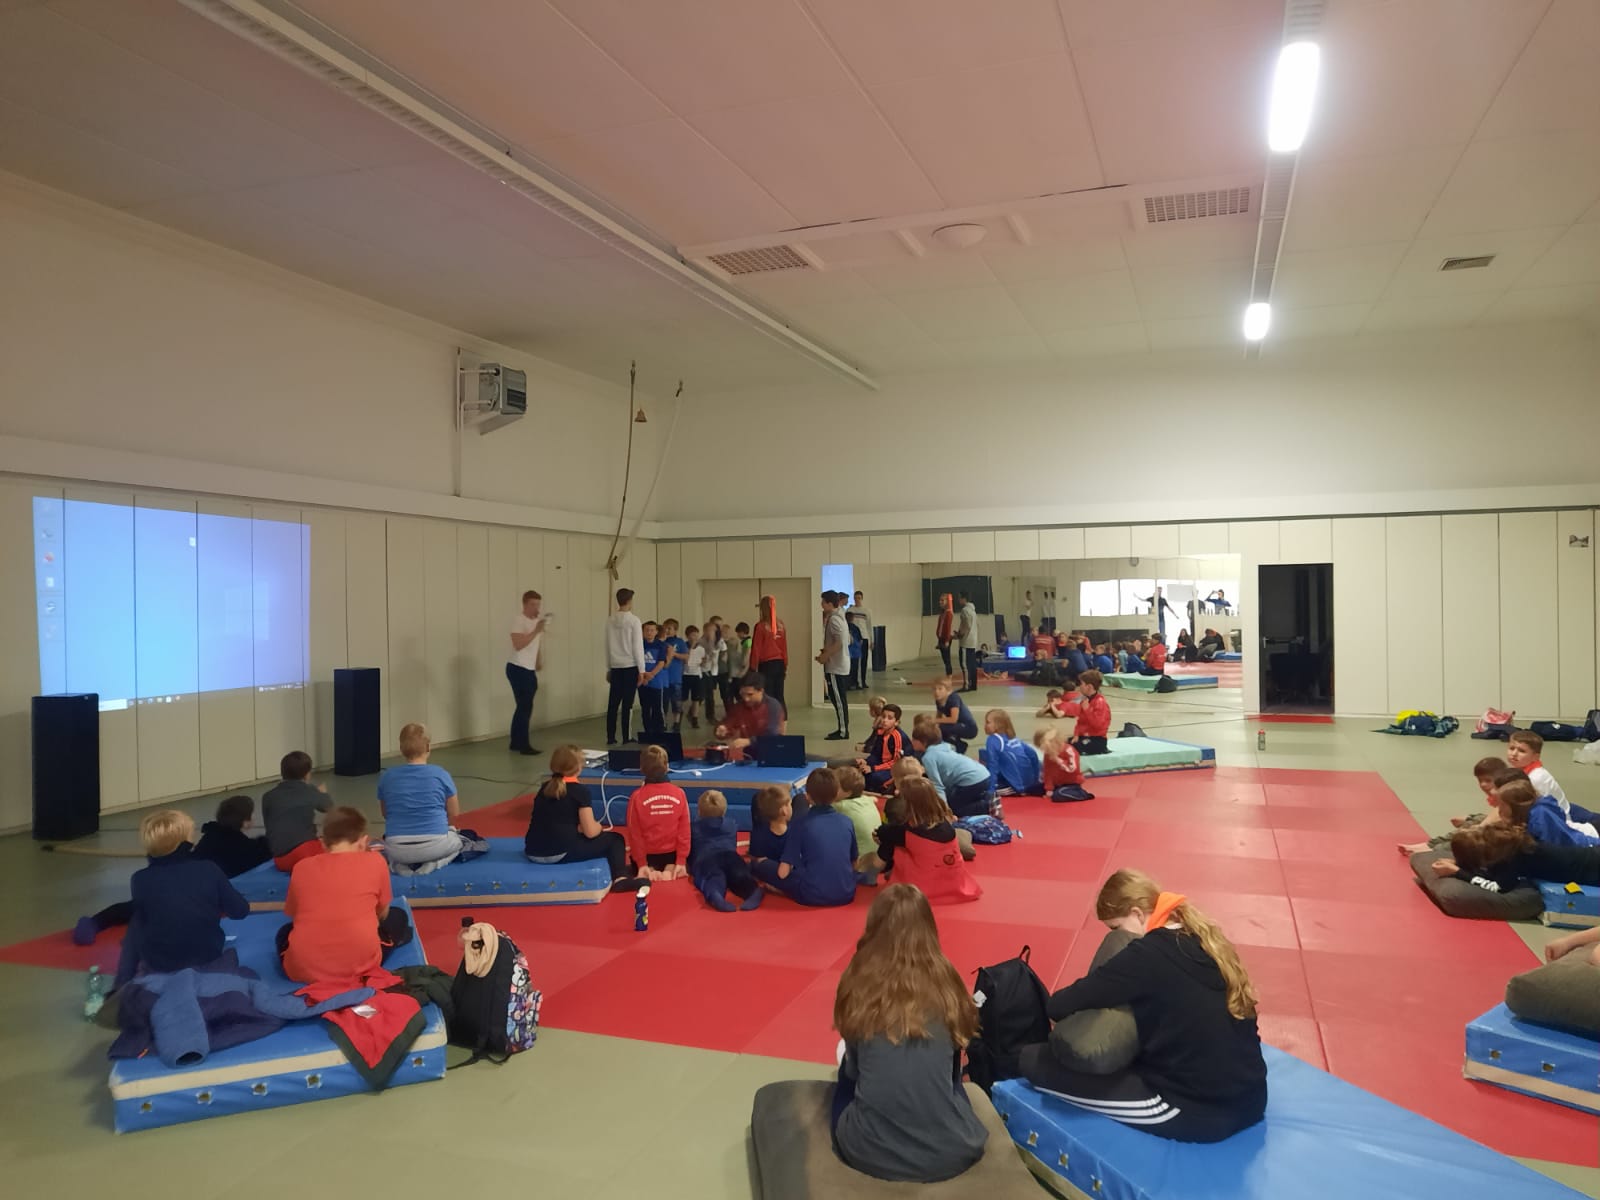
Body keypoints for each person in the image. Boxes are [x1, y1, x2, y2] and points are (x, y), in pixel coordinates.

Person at [1021, 869, 1267, 1143]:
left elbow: (1062, 1003)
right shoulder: (1204, 937)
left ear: (1138, 914)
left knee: (1031, 1061)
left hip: (1197, 1110)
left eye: (1116, 928)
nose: (1117, 936)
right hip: (1253, 1097)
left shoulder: (1145, 954)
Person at [830, 884, 988, 1183]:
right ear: (928, 928)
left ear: (874, 926)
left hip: (871, 1153)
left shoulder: (857, 981)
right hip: (953, 1151)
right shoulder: (948, 983)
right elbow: (953, 1070)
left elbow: (853, 1073)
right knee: (951, 1083)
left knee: (846, 1077)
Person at [116, 809, 250, 988]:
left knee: (138, 920)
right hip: (207, 956)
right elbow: (240, 911)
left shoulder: (140, 879)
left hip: (160, 963)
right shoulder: (208, 869)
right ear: (185, 841)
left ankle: (121, 983)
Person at [279, 806, 391, 984]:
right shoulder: (376, 861)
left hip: (303, 970)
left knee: (284, 933)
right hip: (360, 966)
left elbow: (294, 914)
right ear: (364, 841)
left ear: (323, 843)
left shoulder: (301, 867)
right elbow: (382, 913)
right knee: (397, 919)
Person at [524, 745, 635, 890]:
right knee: (615, 839)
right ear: (579, 768)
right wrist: (598, 826)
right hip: (560, 853)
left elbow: (553, 818)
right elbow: (591, 832)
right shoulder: (580, 791)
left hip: (533, 850)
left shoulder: (545, 787)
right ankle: (620, 878)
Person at [377, 723, 483, 874]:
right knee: (463, 841)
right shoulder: (441, 774)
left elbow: (385, 813)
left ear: (401, 749)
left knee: (393, 848)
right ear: (428, 747)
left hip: (396, 849)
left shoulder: (387, 777)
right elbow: (454, 813)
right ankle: (436, 863)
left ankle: (399, 866)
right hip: (435, 846)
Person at [751, 768, 858, 907]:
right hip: (846, 892)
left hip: (812, 894)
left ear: (808, 796)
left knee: (761, 864)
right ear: (836, 793)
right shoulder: (847, 821)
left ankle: (778, 887)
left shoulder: (800, 824)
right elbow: (854, 862)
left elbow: (783, 873)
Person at [870, 779, 981, 904]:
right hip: (957, 886)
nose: (895, 792)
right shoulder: (945, 822)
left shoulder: (903, 831)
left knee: (895, 842)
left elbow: (878, 863)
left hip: (921, 891)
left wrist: (882, 839)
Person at [1397, 758, 1507, 854]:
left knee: (1470, 835)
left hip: (1504, 831)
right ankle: (1430, 845)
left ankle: (1435, 850)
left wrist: (1479, 827)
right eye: (1480, 781)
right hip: (1498, 821)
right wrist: (1470, 818)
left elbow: (1501, 817)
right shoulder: (1496, 793)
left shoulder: (1505, 793)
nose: (1483, 785)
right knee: (1472, 822)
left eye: (1488, 781)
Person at [626, 744, 691, 881]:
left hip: (648, 856)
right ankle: (670, 868)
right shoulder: (679, 793)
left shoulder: (636, 796)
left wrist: (641, 863)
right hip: (672, 854)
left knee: (642, 865)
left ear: (642, 768)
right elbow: (684, 831)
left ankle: (650, 870)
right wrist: (681, 860)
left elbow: (634, 833)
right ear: (667, 767)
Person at [690, 790, 762, 912]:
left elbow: (690, 851)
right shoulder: (731, 824)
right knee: (739, 874)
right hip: (730, 855)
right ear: (724, 810)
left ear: (699, 811)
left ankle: (715, 894)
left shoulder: (693, 827)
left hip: (706, 859)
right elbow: (733, 844)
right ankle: (752, 890)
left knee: (713, 877)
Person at [912, 716, 995, 819]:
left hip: (972, 781)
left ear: (923, 741)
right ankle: (986, 797)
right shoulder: (943, 746)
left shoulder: (928, 757)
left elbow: (937, 786)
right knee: (957, 797)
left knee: (955, 808)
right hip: (984, 775)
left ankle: (986, 806)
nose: (912, 741)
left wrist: (944, 810)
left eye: (914, 739)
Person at [262, 749, 331, 872]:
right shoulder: (309, 790)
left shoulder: (268, 796)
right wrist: (323, 793)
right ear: (307, 774)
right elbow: (329, 807)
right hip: (305, 853)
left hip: (280, 860)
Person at [506, 588, 548, 756]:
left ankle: (516, 741)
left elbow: (536, 644)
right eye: (532, 604)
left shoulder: (536, 622)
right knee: (524, 706)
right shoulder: (519, 620)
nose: (536, 608)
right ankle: (523, 744)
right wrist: (536, 630)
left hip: (529, 669)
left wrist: (538, 661)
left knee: (524, 706)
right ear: (525, 604)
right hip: (517, 667)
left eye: (538, 604)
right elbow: (518, 644)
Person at [193, 794, 271, 878]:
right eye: (252, 813)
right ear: (245, 821)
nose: (254, 817)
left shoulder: (210, 835)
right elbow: (259, 856)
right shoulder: (241, 846)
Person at [605, 587, 646, 745]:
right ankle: (626, 736)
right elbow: (637, 647)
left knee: (613, 703)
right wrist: (642, 670)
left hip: (615, 665)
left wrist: (609, 667)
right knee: (627, 704)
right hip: (630, 665)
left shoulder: (610, 620)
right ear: (629, 601)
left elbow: (607, 644)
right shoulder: (634, 620)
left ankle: (610, 736)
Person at [714, 673, 787, 751]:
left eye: (750, 694)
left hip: (770, 751)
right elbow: (726, 724)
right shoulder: (738, 707)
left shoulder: (773, 706)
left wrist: (749, 741)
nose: (746, 699)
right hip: (748, 752)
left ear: (761, 691)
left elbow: (772, 734)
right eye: (743, 694)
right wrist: (721, 730)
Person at [833, 766, 883, 872]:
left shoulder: (841, 805)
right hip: (878, 856)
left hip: (859, 862)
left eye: (834, 788)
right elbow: (875, 799)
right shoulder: (867, 799)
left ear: (848, 792)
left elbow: (819, 806)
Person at [982, 709, 1041, 796]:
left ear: (998, 725)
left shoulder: (993, 740)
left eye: (988, 722)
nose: (985, 725)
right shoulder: (1014, 738)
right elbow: (1033, 755)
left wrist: (991, 790)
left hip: (1015, 786)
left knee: (979, 787)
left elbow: (992, 764)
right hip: (1029, 782)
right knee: (984, 754)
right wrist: (1035, 780)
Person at [819, 591, 853, 741]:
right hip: (839, 664)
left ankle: (843, 731)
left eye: (823, 602)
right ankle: (842, 728)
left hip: (836, 666)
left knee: (838, 700)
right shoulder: (840, 617)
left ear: (829, 603)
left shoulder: (834, 620)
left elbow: (839, 643)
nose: (821, 605)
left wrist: (825, 656)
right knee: (838, 698)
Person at [751, 594, 790, 715]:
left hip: (767, 665)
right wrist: (785, 664)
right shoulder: (781, 625)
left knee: (768, 695)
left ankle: (770, 720)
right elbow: (784, 646)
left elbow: (756, 648)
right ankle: (783, 720)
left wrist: (752, 667)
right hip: (779, 663)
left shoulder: (760, 626)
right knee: (779, 695)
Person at [858, 703, 907, 793]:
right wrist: (866, 761)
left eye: (889, 718)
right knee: (860, 770)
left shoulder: (897, 736)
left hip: (896, 768)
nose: (885, 720)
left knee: (873, 777)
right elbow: (875, 753)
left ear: (896, 722)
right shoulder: (881, 732)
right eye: (883, 716)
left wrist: (873, 768)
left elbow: (896, 762)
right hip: (883, 763)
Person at [1036, 726, 1094, 802]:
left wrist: (1058, 760)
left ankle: (1082, 794)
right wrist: (1049, 789)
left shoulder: (1069, 750)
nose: (1045, 751)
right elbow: (1048, 772)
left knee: (1058, 795)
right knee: (1032, 789)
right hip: (1057, 784)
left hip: (1071, 784)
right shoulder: (1048, 754)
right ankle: (1056, 791)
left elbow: (1072, 770)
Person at [748, 784, 795, 865]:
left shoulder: (758, 833)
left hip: (767, 869)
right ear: (784, 810)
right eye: (790, 804)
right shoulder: (794, 832)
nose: (791, 807)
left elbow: (754, 857)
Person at [638, 620, 670, 736]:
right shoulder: (639, 645)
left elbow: (661, 663)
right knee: (645, 708)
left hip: (656, 682)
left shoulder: (661, 645)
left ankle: (659, 731)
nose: (649, 632)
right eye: (647, 630)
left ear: (656, 632)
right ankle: (648, 731)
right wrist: (643, 676)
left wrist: (651, 675)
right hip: (642, 681)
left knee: (657, 708)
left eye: (652, 630)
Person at [931, 677, 978, 752]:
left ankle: (960, 746)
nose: (936, 692)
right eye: (934, 689)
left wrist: (935, 721)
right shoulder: (938, 700)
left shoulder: (953, 698)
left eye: (940, 689)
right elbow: (939, 716)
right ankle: (954, 744)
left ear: (948, 690)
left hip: (969, 727)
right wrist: (934, 725)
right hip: (957, 725)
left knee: (942, 728)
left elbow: (953, 719)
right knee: (937, 729)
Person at [1073, 670, 1111, 755]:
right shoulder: (1085, 700)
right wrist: (1076, 735)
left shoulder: (1100, 702)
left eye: (1081, 684)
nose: (1079, 686)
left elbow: (1098, 725)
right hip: (1085, 737)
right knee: (1064, 744)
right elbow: (1080, 722)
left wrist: (1087, 710)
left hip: (1097, 740)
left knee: (1072, 748)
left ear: (1089, 686)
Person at [661, 618, 687, 731]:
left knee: (676, 702)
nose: (667, 631)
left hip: (675, 677)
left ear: (675, 630)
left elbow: (686, 657)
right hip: (663, 678)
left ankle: (676, 723)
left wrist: (674, 654)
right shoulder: (661, 642)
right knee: (664, 703)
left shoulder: (679, 642)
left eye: (669, 628)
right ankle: (663, 722)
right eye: (665, 628)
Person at [847, 591, 874, 690]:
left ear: (862, 598)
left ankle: (863, 681)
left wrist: (872, 640)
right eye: (855, 598)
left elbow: (869, 626)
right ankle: (853, 682)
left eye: (859, 598)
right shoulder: (850, 610)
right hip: (854, 639)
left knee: (864, 661)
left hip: (864, 637)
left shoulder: (867, 611)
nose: (857, 600)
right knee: (854, 661)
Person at [680, 624, 704, 730]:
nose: (695, 637)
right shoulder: (683, 646)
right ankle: (679, 718)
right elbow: (685, 659)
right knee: (682, 698)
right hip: (685, 674)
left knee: (696, 699)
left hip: (696, 675)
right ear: (687, 636)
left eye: (696, 635)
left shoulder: (701, 648)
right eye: (693, 635)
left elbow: (703, 660)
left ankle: (695, 719)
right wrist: (691, 647)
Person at [955, 591, 980, 693]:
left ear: (964, 599)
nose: (958, 600)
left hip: (966, 642)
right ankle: (973, 684)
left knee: (964, 664)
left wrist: (959, 634)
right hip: (973, 641)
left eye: (959, 598)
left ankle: (966, 685)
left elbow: (966, 625)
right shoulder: (973, 611)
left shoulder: (965, 610)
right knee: (972, 664)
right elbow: (976, 625)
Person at [725, 621, 752, 712]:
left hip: (741, 672)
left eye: (738, 633)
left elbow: (747, 654)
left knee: (738, 693)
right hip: (739, 672)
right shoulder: (743, 643)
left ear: (742, 632)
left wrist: (744, 665)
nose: (737, 635)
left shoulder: (747, 641)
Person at [935, 593, 955, 675]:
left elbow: (948, 627)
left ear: (947, 601)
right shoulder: (943, 613)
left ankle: (949, 676)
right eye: (940, 600)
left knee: (947, 660)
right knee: (945, 660)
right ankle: (948, 675)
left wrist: (947, 641)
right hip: (941, 639)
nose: (940, 602)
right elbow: (940, 626)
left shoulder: (948, 613)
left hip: (945, 639)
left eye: (942, 600)